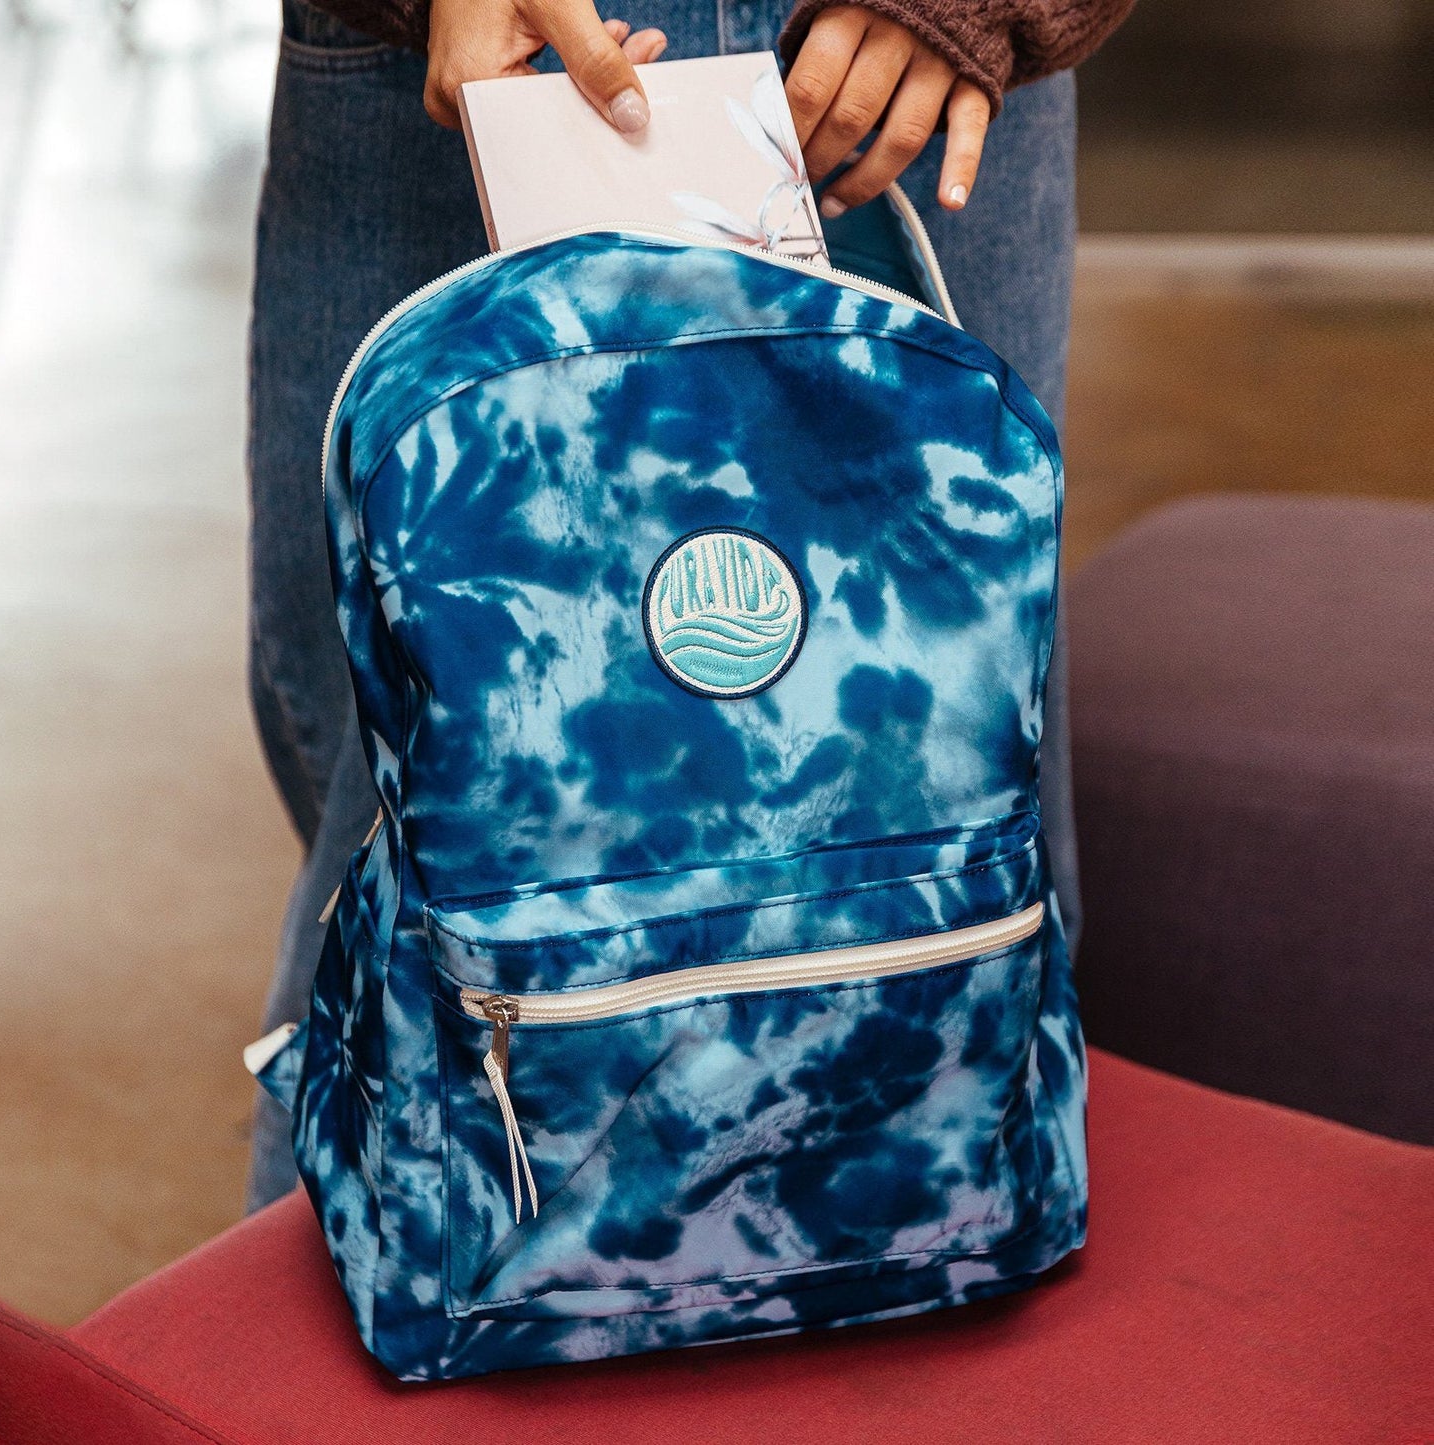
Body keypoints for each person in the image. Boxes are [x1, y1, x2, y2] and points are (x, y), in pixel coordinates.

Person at [246, 0, 1133, 1210]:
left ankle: (893, 1274)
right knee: (409, 822)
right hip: (455, 58)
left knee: (943, 791)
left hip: (903, 71)